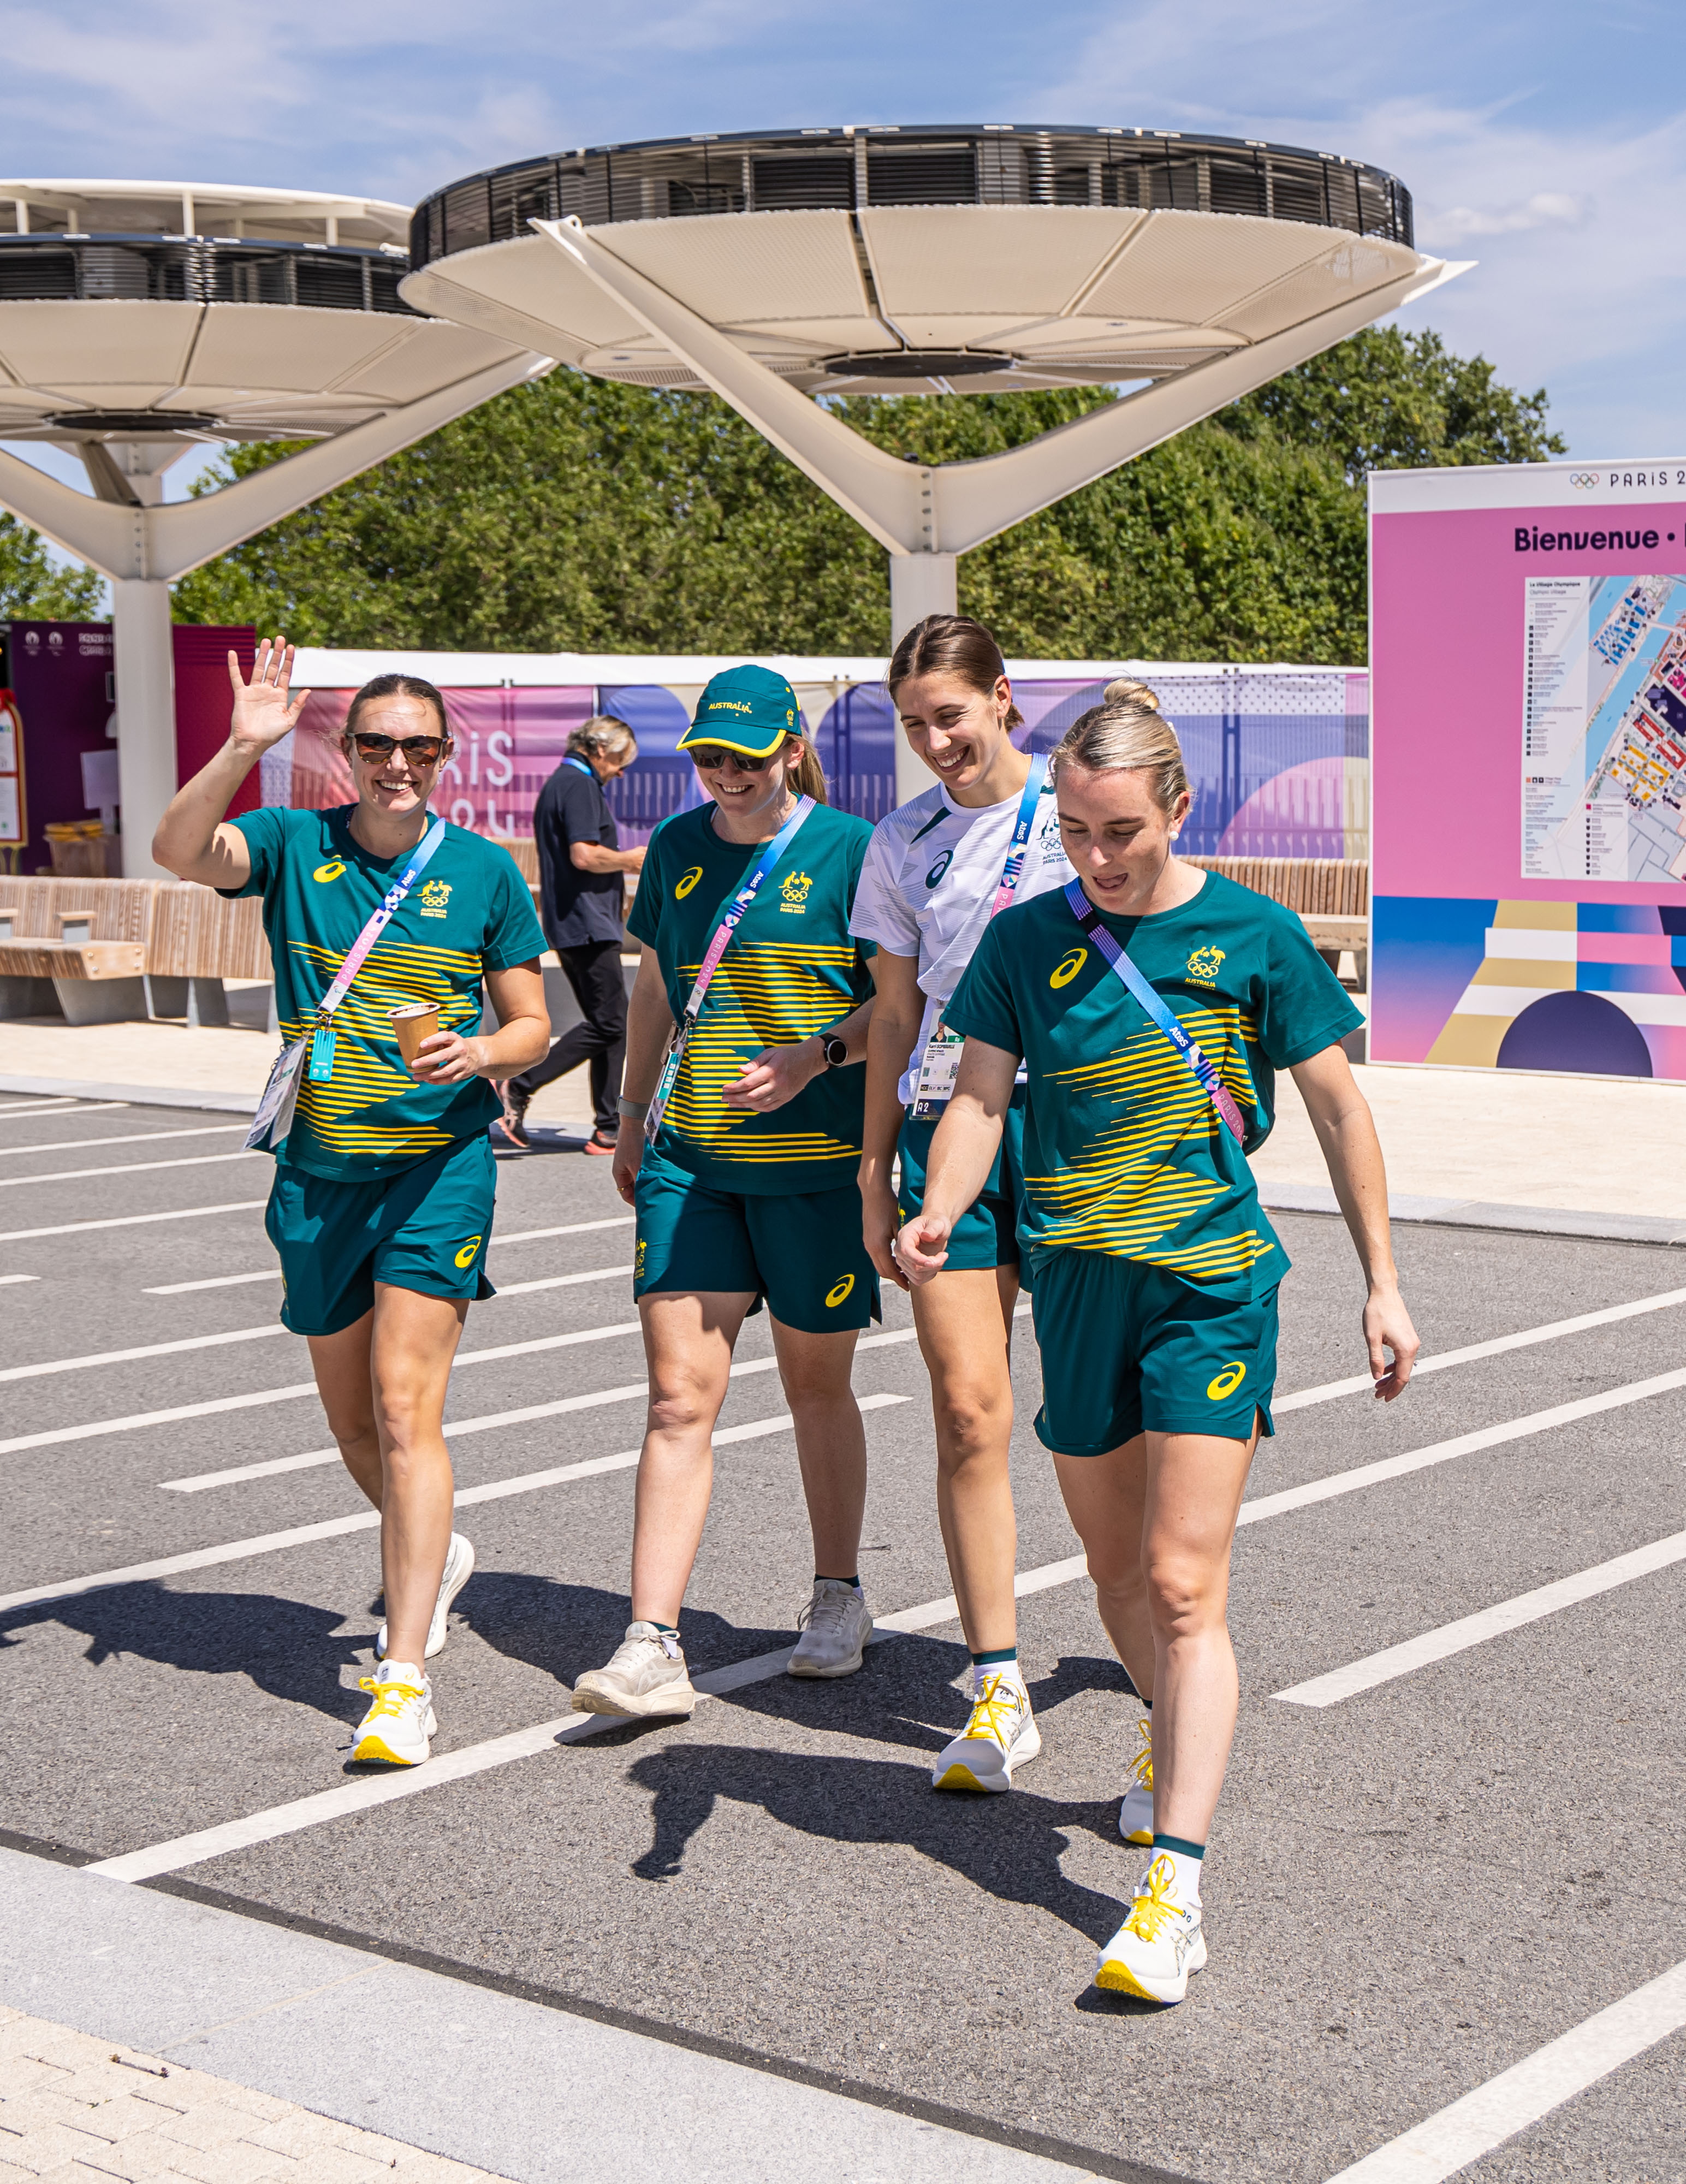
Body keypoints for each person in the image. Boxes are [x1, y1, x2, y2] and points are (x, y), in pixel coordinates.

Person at [897, 696, 1419, 2007]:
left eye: (1119, 831)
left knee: (1186, 1585)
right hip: (1076, 1288)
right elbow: (976, 1096)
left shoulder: (1253, 932)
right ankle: (1161, 1726)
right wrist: (945, 1206)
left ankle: (1172, 1889)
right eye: (1073, 830)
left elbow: (1341, 1108)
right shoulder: (1026, 939)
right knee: (1116, 1569)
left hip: (1210, 1286)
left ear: (1179, 810)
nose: (1097, 857)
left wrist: (1383, 1284)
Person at [152, 642, 554, 1768]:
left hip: (439, 1165)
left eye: (417, 745)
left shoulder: (481, 870)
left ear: (443, 755)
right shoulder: (291, 843)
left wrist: (483, 1051)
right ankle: (433, 1547)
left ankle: (404, 1672)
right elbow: (179, 850)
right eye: (375, 742)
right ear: (346, 750)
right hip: (318, 1168)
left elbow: (528, 1020)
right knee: (351, 1422)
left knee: (403, 1405)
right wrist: (244, 743)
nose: (396, 763)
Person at [571, 666, 882, 1720]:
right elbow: (657, 981)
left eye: (750, 757)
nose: (729, 776)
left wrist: (812, 1057)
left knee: (814, 1389)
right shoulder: (676, 847)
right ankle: (652, 1640)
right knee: (675, 1399)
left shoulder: (852, 851)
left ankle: (839, 1594)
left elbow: (900, 1004)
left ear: (792, 748)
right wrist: (631, 1109)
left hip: (814, 1172)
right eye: (711, 757)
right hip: (692, 1162)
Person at [853, 615, 1071, 1794]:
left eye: (953, 712)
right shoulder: (902, 839)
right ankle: (996, 1683)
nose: (937, 739)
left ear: (1002, 699)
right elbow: (893, 1017)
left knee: (1106, 1423)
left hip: (1078, 1127)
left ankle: (1157, 1672)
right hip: (949, 1125)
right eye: (915, 722)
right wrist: (873, 1164)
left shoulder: (1077, 806)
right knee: (969, 1412)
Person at [504, 715, 642, 1152]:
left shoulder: (566, 783)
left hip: (579, 922)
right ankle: (519, 1083)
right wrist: (630, 859)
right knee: (613, 1022)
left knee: (611, 1025)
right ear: (600, 750)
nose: (621, 772)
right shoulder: (578, 784)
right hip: (585, 923)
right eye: (620, 761)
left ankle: (608, 1126)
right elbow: (584, 855)